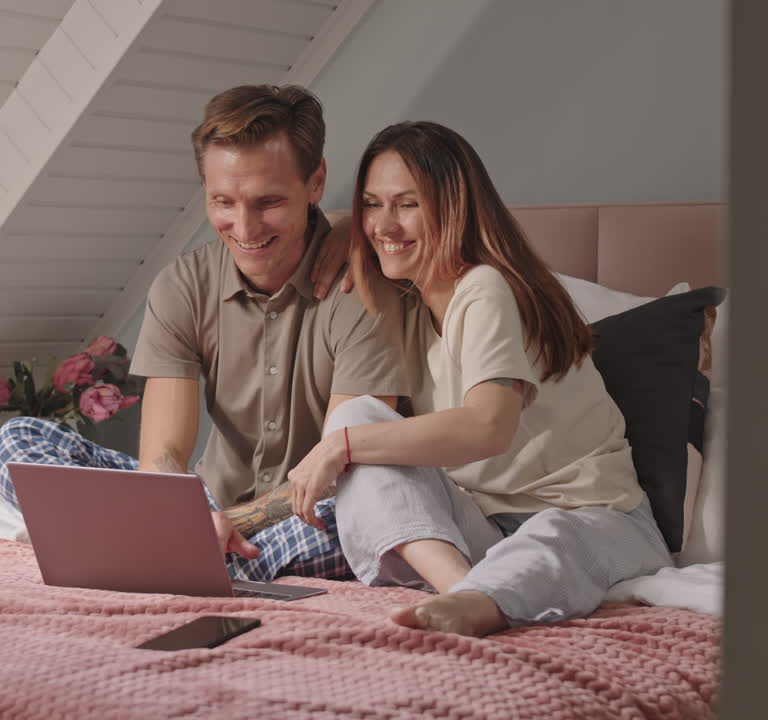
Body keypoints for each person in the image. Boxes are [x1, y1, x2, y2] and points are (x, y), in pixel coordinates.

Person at [0, 84, 407, 582]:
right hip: (203, 505)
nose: (244, 228)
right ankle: (185, 554)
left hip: (315, 510)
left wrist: (227, 525)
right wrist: (186, 520)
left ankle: (147, 553)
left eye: (267, 201)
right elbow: (162, 455)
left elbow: (340, 468)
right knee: (18, 439)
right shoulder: (182, 286)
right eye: (223, 201)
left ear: (315, 183)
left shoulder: (364, 290)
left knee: (369, 525)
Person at [287, 121, 671, 636]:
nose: (385, 224)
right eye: (372, 204)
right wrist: (344, 232)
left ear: (454, 207)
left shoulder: (485, 288)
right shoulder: (405, 300)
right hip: (485, 531)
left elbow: (489, 428)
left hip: (598, 519)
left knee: (553, 537)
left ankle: (477, 599)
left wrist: (339, 448)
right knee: (355, 417)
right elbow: (353, 227)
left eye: (407, 204)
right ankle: (460, 591)